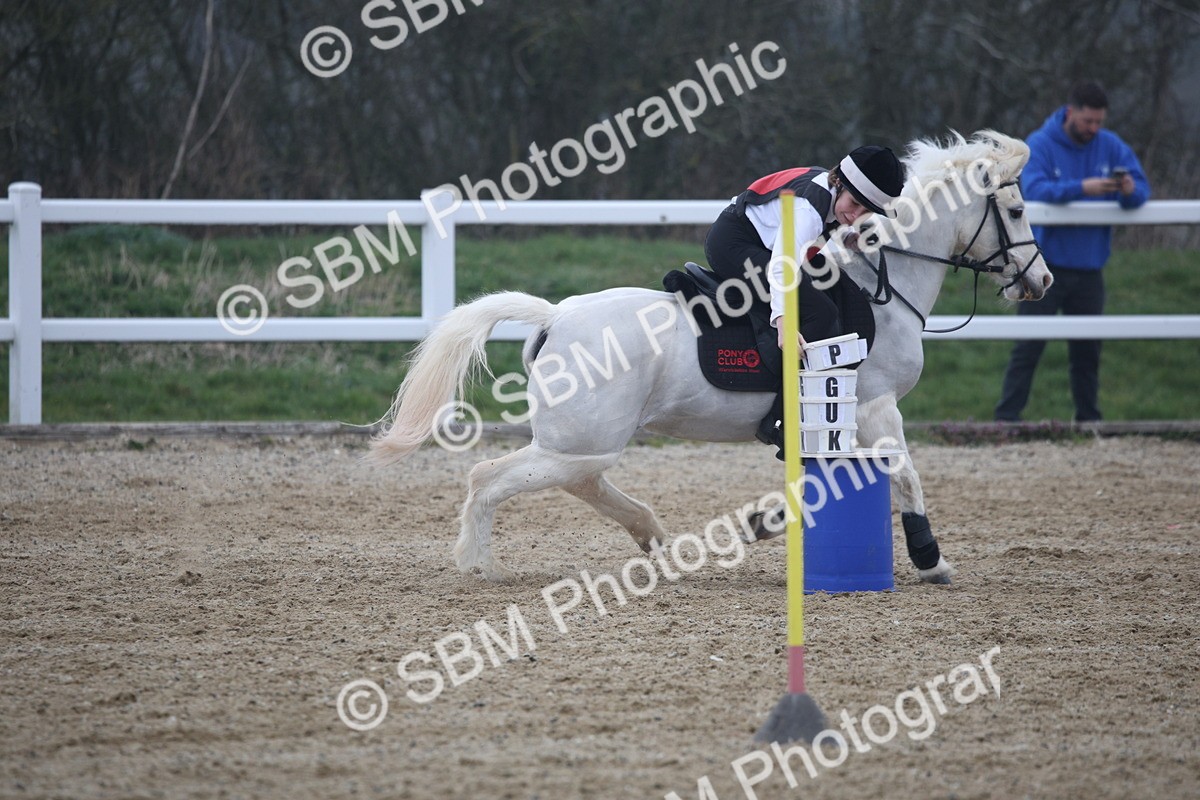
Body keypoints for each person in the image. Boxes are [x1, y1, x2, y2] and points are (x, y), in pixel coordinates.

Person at [703, 145, 905, 449]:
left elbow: (811, 243)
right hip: (734, 244)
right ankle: (781, 420)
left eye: (866, 212)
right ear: (840, 183)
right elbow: (782, 267)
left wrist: (847, 238)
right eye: (855, 205)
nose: (855, 216)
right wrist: (783, 320)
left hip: (756, 242)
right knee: (820, 313)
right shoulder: (808, 208)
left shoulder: (829, 192)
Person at [995, 80, 1150, 422]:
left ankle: (1089, 420)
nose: (1093, 129)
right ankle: (1006, 420)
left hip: (1090, 268)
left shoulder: (1110, 146)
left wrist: (1126, 189)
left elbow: (1141, 192)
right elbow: (1032, 189)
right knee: (1028, 346)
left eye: (1098, 122)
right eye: (1087, 122)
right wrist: (1083, 188)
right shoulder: (1040, 144)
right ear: (1071, 113)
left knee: (1088, 351)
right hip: (1045, 267)